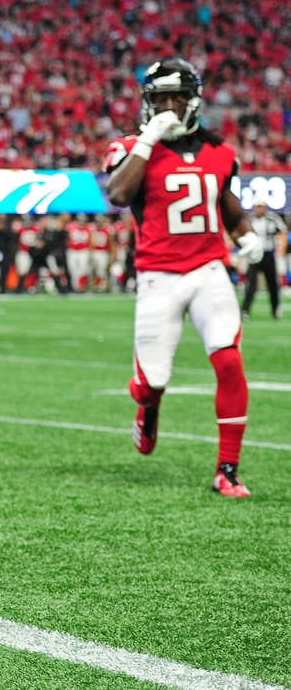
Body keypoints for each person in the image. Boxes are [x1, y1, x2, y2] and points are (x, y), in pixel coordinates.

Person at [105, 57, 264, 497]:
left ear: (193, 100)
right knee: (150, 383)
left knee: (229, 361)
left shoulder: (218, 151)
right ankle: (148, 407)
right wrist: (147, 143)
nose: (168, 107)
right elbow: (118, 194)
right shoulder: (130, 147)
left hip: (209, 269)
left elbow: (226, 203)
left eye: (177, 98)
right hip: (158, 276)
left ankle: (227, 470)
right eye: (160, 99)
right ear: (147, 103)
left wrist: (246, 235)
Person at [241, 196, 286, 320]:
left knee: (273, 285)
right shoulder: (249, 219)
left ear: (265, 207)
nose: (259, 209)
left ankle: (276, 310)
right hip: (254, 256)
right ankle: (245, 311)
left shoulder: (272, 219)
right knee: (251, 285)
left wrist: (281, 249)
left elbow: (282, 233)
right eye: (257, 206)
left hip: (268, 254)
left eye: (261, 206)